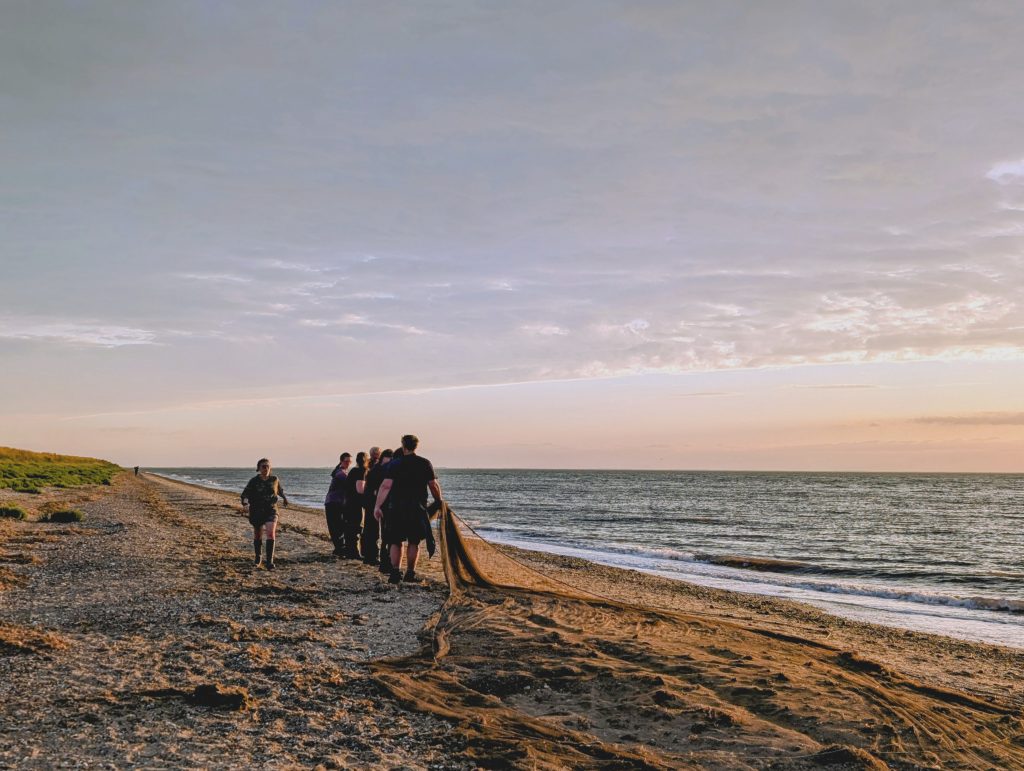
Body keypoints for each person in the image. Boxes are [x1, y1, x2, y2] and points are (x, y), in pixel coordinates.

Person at [374, 435, 442, 584]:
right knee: (413, 541)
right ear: (416, 446)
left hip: (396, 507)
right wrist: (439, 501)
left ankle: (395, 573)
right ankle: (410, 573)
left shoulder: (395, 464)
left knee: (395, 541)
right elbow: (433, 485)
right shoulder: (425, 463)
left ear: (403, 445)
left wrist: (377, 506)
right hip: (417, 508)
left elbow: (385, 486)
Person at [241, 458, 289, 569]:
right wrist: (245, 504)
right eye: (263, 466)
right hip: (257, 510)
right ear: (258, 468)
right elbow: (245, 494)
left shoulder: (274, 479)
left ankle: (269, 561)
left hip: (271, 510)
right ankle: (258, 558)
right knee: (258, 535)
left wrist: (285, 498)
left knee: (270, 533)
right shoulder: (254, 481)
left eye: (268, 466)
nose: (266, 468)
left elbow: (279, 490)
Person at [361, 448, 392, 565]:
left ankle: (371, 555)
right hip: (374, 502)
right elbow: (380, 488)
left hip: (372, 501)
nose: (376, 455)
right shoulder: (379, 469)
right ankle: (372, 556)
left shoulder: (375, 467)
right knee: (374, 530)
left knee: (372, 530)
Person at [324, 452, 352, 557]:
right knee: (337, 526)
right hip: (333, 502)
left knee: (337, 526)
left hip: (336, 502)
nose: (348, 463)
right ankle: (339, 548)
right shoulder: (340, 473)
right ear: (341, 461)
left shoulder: (342, 471)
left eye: (349, 461)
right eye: (346, 461)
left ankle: (339, 548)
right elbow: (350, 484)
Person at [342, 451, 368, 559]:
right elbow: (360, 489)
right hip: (356, 504)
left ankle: (349, 551)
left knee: (350, 528)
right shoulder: (361, 471)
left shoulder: (353, 471)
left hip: (348, 502)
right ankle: (354, 552)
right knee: (356, 527)